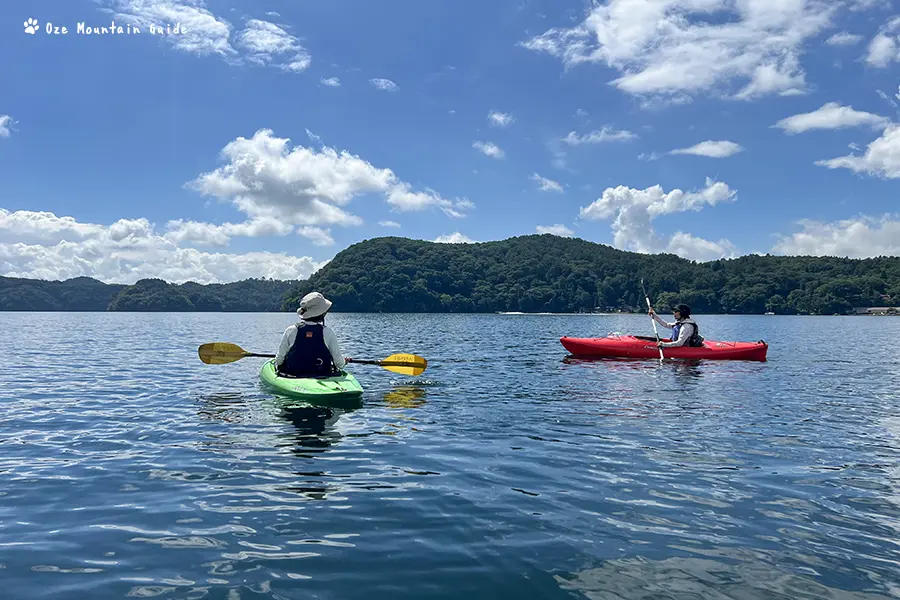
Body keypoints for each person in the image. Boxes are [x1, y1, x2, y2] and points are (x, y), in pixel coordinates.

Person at [275, 292, 351, 377]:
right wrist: (344, 362)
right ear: (322, 313)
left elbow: (279, 361)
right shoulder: (328, 332)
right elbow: (339, 364)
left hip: (294, 375)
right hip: (322, 375)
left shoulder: (290, 330)